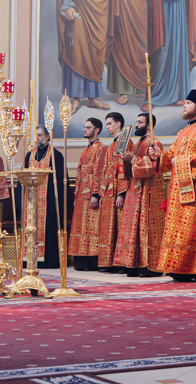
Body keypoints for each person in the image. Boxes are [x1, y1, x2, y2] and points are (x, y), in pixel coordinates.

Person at [156, 89, 196, 279]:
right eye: (184, 103)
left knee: (193, 227)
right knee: (178, 229)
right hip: (178, 190)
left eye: (188, 103)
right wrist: (159, 156)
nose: (183, 106)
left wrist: (183, 161)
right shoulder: (182, 132)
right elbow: (171, 157)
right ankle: (179, 267)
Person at [114, 112, 166, 276]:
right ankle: (134, 263)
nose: (136, 125)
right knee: (133, 228)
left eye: (140, 122)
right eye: (136, 122)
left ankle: (149, 266)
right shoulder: (138, 143)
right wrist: (125, 160)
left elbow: (152, 166)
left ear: (149, 125)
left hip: (148, 191)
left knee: (145, 227)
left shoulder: (154, 142)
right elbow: (131, 168)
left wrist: (133, 159)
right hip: (135, 190)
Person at [23, 126, 67, 269]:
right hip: (31, 199)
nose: (38, 138)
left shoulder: (56, 155)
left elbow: (60, 181)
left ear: (47, 137)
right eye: (36, 135)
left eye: (40, 135)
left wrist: (57, 203)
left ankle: (48, 261)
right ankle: (29, 259)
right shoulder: (29, 155)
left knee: (49, 227)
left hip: (48, 201)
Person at [69, 116, 106, 270]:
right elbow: (79, 172)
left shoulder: (101, 148)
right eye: (84, 127)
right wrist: (76, 193)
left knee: (92, 226)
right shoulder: (85, 149)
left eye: (88, 127)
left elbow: (99, 172)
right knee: (81, 226)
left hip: (91, 193)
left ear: (96, 130)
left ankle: (92, 261)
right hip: (81, 194)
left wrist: (95, 195)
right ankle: (80, 260)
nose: (85, 129)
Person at [96, 112, 131, 272]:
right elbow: (106, 170)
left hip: (118, 190)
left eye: (110, 123)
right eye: (107, 124)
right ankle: (108, 262)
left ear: (118, 123)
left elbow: (125, 169)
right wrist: (101, 193)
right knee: (109, 226)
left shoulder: (125, 141)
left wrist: (121, 193)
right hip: (109, 189)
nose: (108, 127)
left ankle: (120, 263)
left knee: (119, 226)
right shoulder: (111, 144)